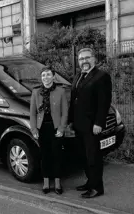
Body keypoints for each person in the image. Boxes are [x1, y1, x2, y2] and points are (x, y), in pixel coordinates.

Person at [68, 48, 112, 198]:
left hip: (92, 126)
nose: (84, 61)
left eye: (87, 58)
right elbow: (73, 101)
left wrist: (99, 123)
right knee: (84, 156)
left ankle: (97, 188)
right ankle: (89, 182)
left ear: (94, 59)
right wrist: (70, 121)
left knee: (94, 157)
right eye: (81, 59)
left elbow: (104, 103)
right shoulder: (78, 76)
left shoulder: (102, 77)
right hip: (79, 125)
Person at [30, 66, 68, 195]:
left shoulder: (61, 91)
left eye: (48, 74)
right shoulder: (36, 92)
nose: (45, 77)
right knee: (45, 156)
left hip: (56, 127)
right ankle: (46, 182)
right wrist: (34, 128)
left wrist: (62, 128)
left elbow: (65, 113)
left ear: (53, 76)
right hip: (42, 128)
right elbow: (33, 113)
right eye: (43, 75)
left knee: (57, 155)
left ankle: (57, 182)